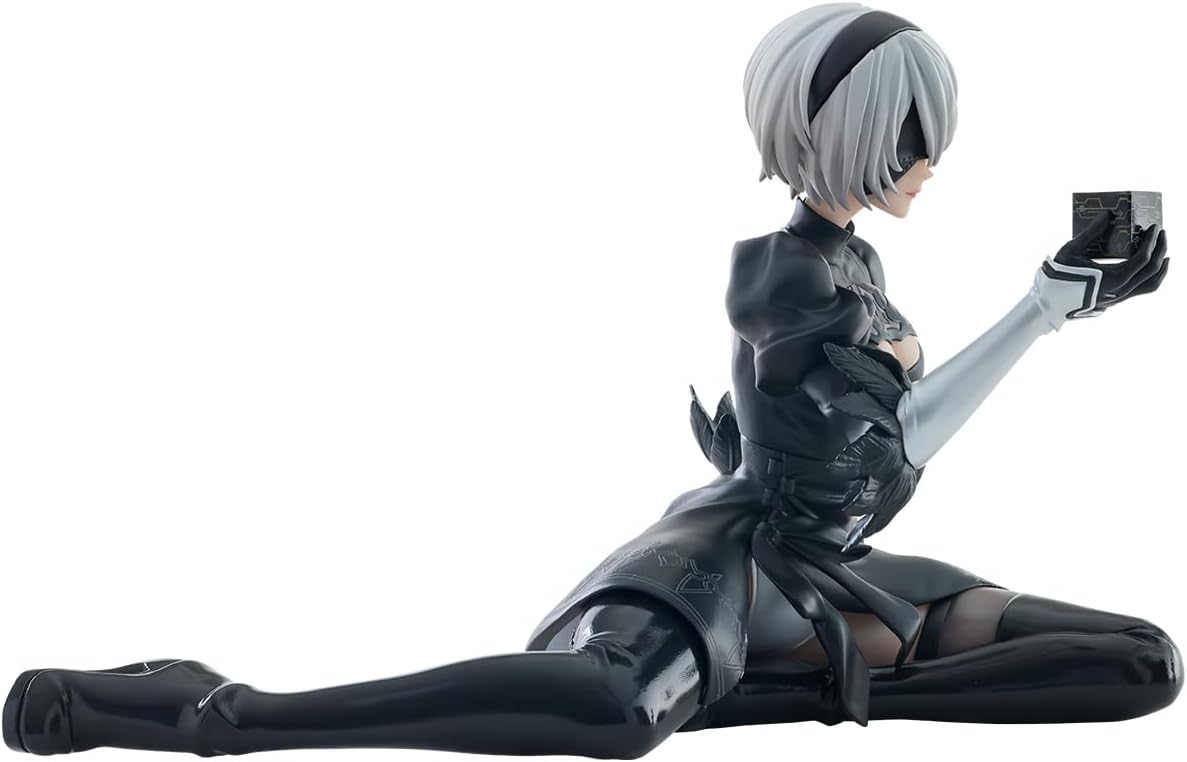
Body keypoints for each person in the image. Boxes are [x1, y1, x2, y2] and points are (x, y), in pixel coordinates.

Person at [3, 3, 1178, 759]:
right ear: (844, 131)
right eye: (910, 133)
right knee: (616, 715)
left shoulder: (859, 266)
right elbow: (897, 440)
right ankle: (223, 711)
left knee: (1136, 663)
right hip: (728, 570)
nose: (929, 160)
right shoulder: (783, 278)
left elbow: (882, 455)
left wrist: (1043, 312)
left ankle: (781, 691)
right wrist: (1033, 314)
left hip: (826, 579)